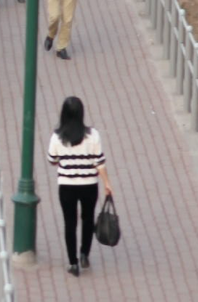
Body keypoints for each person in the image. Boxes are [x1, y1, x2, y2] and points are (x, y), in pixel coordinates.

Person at [46, 96, 114, 277]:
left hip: (67, 186)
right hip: (89, 185)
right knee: (88, 218)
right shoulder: (93, 135)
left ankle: (73, 263)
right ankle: (85, 254)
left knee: (70, 223)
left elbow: (52, 160)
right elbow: (99, 162)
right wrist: (107, 182)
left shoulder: (57, 137)